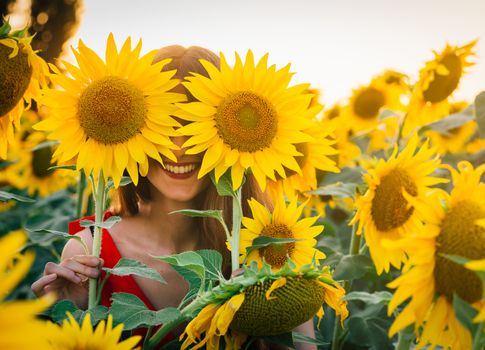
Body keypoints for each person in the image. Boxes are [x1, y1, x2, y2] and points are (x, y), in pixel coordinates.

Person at [31, 45, 316, 349]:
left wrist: (275, 311)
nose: (179, 145)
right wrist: (68, 315)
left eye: (195, 125)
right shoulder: (90, 253)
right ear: (133, 124)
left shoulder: (271, 247)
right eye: (166, 124)